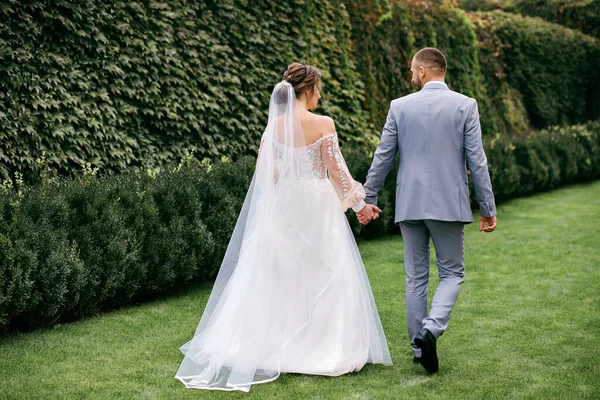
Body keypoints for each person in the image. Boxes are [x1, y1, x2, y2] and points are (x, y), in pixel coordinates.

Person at [175, 63, 392, 392]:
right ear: (306, 91)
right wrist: (361, 206)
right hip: (317, 207)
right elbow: (337, 172)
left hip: (284, 207)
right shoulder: (323, 123)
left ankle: (276, 345)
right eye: (318, 89)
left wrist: (285, 191)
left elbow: (266, 174)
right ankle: (323, 347)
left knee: (282, 273)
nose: (320, 95)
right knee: (323, 270)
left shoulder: (274, 126)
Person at [357, 48, 497, 373]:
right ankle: (430, 331)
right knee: (452, 273)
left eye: (411, 70)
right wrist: (488, 207)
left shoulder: (399, 107)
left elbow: (383, 156)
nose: (410, 75)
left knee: (415, 276)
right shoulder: (465, 105)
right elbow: (477, 160)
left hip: (410, 202)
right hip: (449, 202)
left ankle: (418, 349)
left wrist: (369, 196)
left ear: (422, 71)